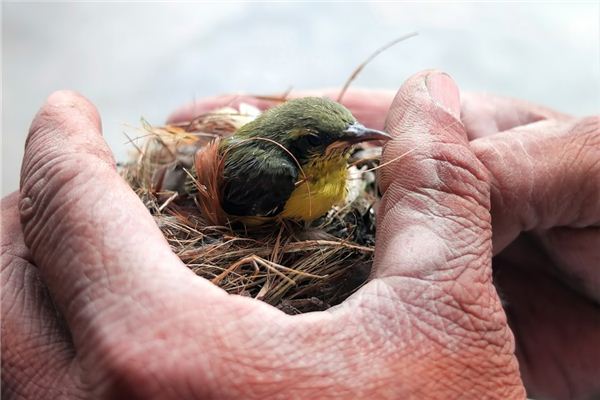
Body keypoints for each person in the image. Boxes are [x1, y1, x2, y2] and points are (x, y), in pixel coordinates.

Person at [1, 70, 598, 399]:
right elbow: (206, 199)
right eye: (326, 142)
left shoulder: (338, 178)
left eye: (351, 136)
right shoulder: (274, 173)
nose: (352, 142)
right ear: (295, 149)